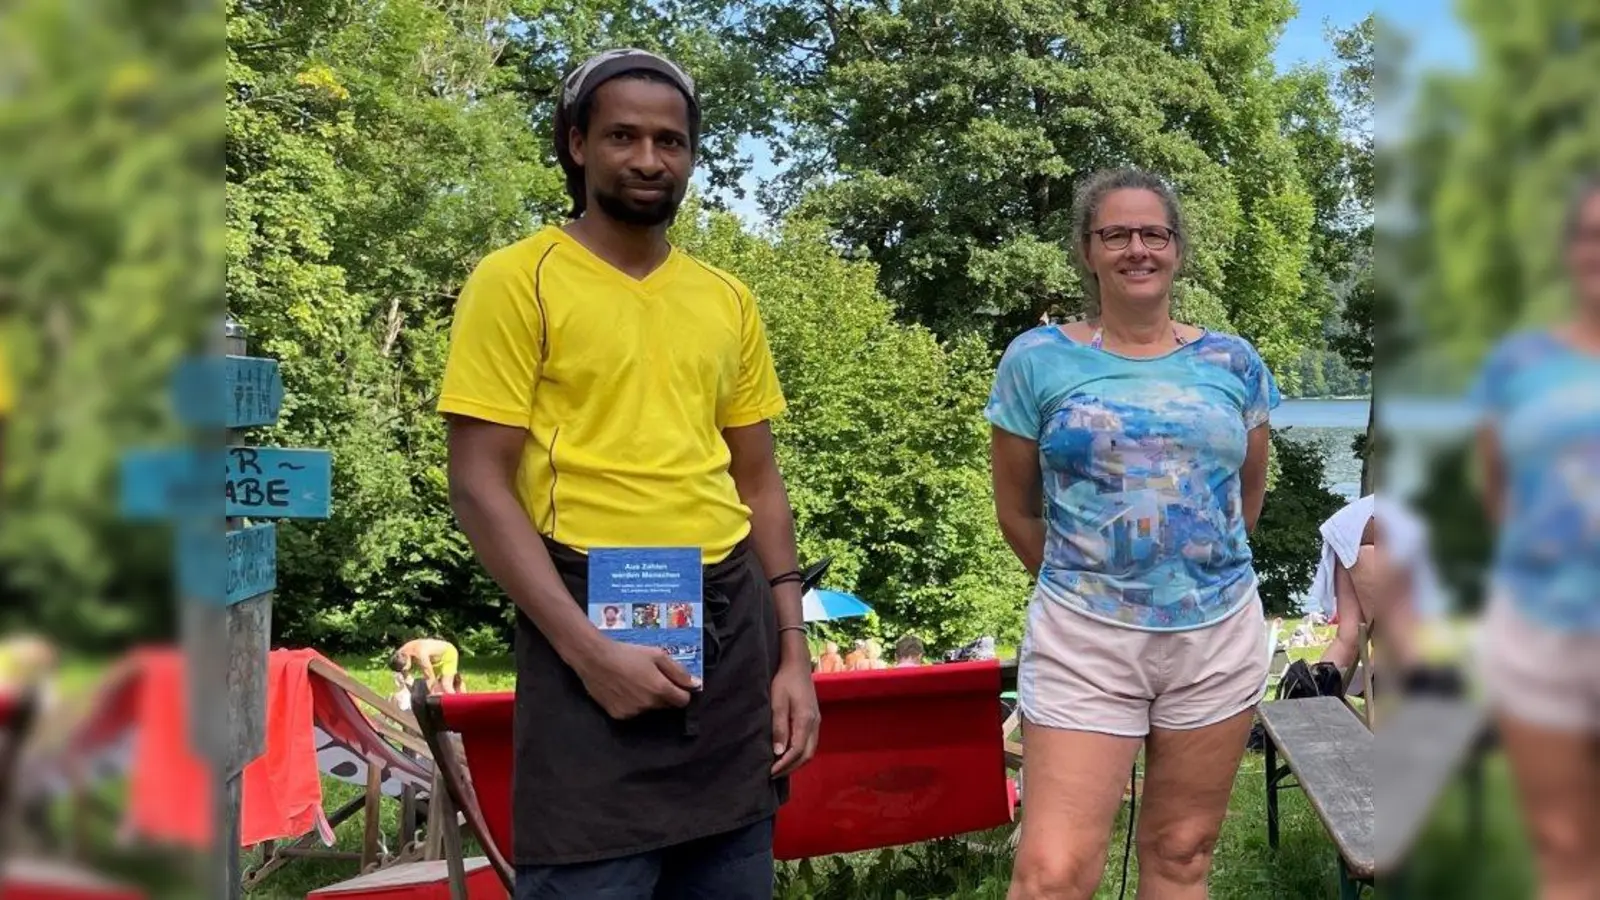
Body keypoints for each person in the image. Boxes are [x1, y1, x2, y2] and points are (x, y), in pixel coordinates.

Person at [436, 48, 818, 899]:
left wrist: (794, 655)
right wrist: (590, 652)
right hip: (582, 617)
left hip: (731, 626)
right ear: (576, 144)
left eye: (670, 141)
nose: (650, 159)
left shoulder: (726, 299)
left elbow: (758, 482)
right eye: (623, 136)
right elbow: (479, 484)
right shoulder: (517, 280)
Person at [988, 168, 1279, 900]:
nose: (1137, 248)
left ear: (1178, 248)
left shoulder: (1232, 362)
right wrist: (1096, 585)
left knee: (1183, 852)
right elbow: (1016, 509)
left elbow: (1247, 494)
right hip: (1085, 640)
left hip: (1214, 639)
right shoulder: (1037, 360)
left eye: (1153, 233)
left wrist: (1188, 577)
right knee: (1052, 873)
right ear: (1087, 251)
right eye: (1115, 234)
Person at [1471, 175, 1600, 900]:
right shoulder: (1517, 365)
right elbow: (1498, 492)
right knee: (1560, 840)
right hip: (1542, 629)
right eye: (1589, 235)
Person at [389, 638, 463, 695]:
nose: (404, 671)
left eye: (405, 669)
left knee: (446, 684)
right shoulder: (401, 652)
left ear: (407, 658)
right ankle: (461, 692)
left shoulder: (421, 655)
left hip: (448, 653)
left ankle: (458, 705)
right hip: (433, 659)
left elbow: (431, 679)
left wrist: (427, 698)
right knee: (438, 686)